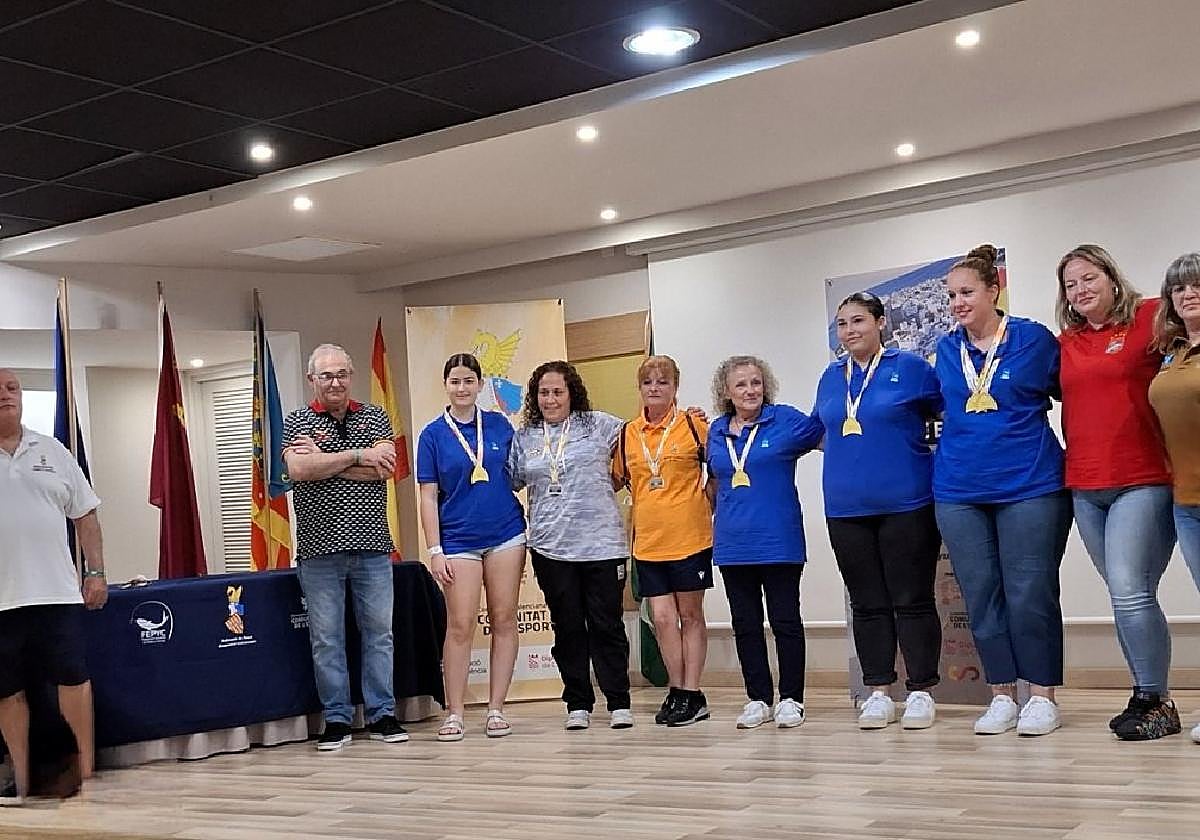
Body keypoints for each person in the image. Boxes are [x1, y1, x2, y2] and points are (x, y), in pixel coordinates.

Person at [932, 244, 1072, 737]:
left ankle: (1041, 694)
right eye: (951, 295)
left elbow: (1072, 389)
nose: (957, 302)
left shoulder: (1034, 340)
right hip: (958, 491)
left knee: (1029, 591)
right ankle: (1000, 693)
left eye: (967, 292)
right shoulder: (947, 350)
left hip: (1030, 485)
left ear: (995, 291)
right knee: (980, 595)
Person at [1056, 244, 1179, 741]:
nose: (1081, 290)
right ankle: (1144, 694)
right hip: (1085, 486)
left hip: (1143, 478)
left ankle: (1156, 699)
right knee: (1124, 595)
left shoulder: (1150, 317)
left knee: (1130, 593)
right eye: (1071, 284)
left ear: (1112, 278)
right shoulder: (1067, 342)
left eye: (1089, 278)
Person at [813, 293, 945, 730]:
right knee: (867, 604)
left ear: (881, 323)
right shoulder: (831, 378)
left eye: (858, 321)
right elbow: (817, 428)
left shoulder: (911, 369)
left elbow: (947, 414)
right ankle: (878, 691)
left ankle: (922, 690)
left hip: (906, 504)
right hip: (846, 508)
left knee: (912, 599)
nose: (849, 331)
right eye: (842, 324)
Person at [282, 344, 408, 751]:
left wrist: (329, 461)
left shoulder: (374, 415)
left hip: (372, 546)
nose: (335, 382)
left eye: (341, 374)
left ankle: (383, 715)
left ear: (350, 376)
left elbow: (384, 471)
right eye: (326, 376)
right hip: (318, 551)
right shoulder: (296, 420)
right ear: (311, 380)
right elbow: (299, 469)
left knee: (379, 634)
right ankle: (336, 720)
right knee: (327, 639)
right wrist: (359, 455)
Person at [0, 369, 108, 806]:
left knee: (73, 680)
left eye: (12, 388)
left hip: (57, 594)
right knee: (7, 692)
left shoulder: (53, 450)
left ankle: (84, 772)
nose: (5, 396)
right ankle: (24, 778)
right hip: (2, 602)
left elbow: (85, 515)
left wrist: (96, 572)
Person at [507, 361, 632, 731]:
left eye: (557, 391)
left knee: (606, 624)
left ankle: (619, 702)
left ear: (571, 392)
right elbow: (510, 480)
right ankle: (578, 702)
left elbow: (641, 441)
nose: (550, 399)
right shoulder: (525, 437)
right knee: (568, 627)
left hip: (602, 544)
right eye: (543, 393)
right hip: (550, 546)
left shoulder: (600, 424)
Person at [706, 355, 822, 730]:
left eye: (756, 382)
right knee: (746, 624)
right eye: (741, 384)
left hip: (779, 540)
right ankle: (757, 698)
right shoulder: (716, 431)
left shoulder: (785, 419)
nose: (750, 390)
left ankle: (792, 699)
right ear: (727, 391)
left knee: (786, 621)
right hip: (732, 543)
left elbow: (830, 438)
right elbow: (712, 482)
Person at [417, 353, 526, 741]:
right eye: (454, 381)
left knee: (504, 619)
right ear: (445, 386)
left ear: (480, 385)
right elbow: (428, 496)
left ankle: (496, 708)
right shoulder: (432, 435)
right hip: (458, 540)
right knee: (460, 624)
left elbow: (520, 476)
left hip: (506, 534)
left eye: (468, 381)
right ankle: (455, 712)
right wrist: (435, 549)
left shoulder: (499, 425)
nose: (462, 388)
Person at [614, 356, 713, 727]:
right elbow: (618, 479)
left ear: (675, 387)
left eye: (663, 382)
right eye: (648, 383)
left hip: (690, 538)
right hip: (648, 543)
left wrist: (704, 505)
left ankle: (691, 689)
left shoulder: (693, 425)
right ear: (639, 388)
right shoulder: (628, 434)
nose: (655, 388)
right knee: (662, 618)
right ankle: (678, 690)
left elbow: (719, 469)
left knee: (690, 616)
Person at [1149, 252, 1200, 745]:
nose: (1189, 294)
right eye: (1179, 288)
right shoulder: (1174, 352)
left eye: (1198, 284)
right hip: (1185, 499)